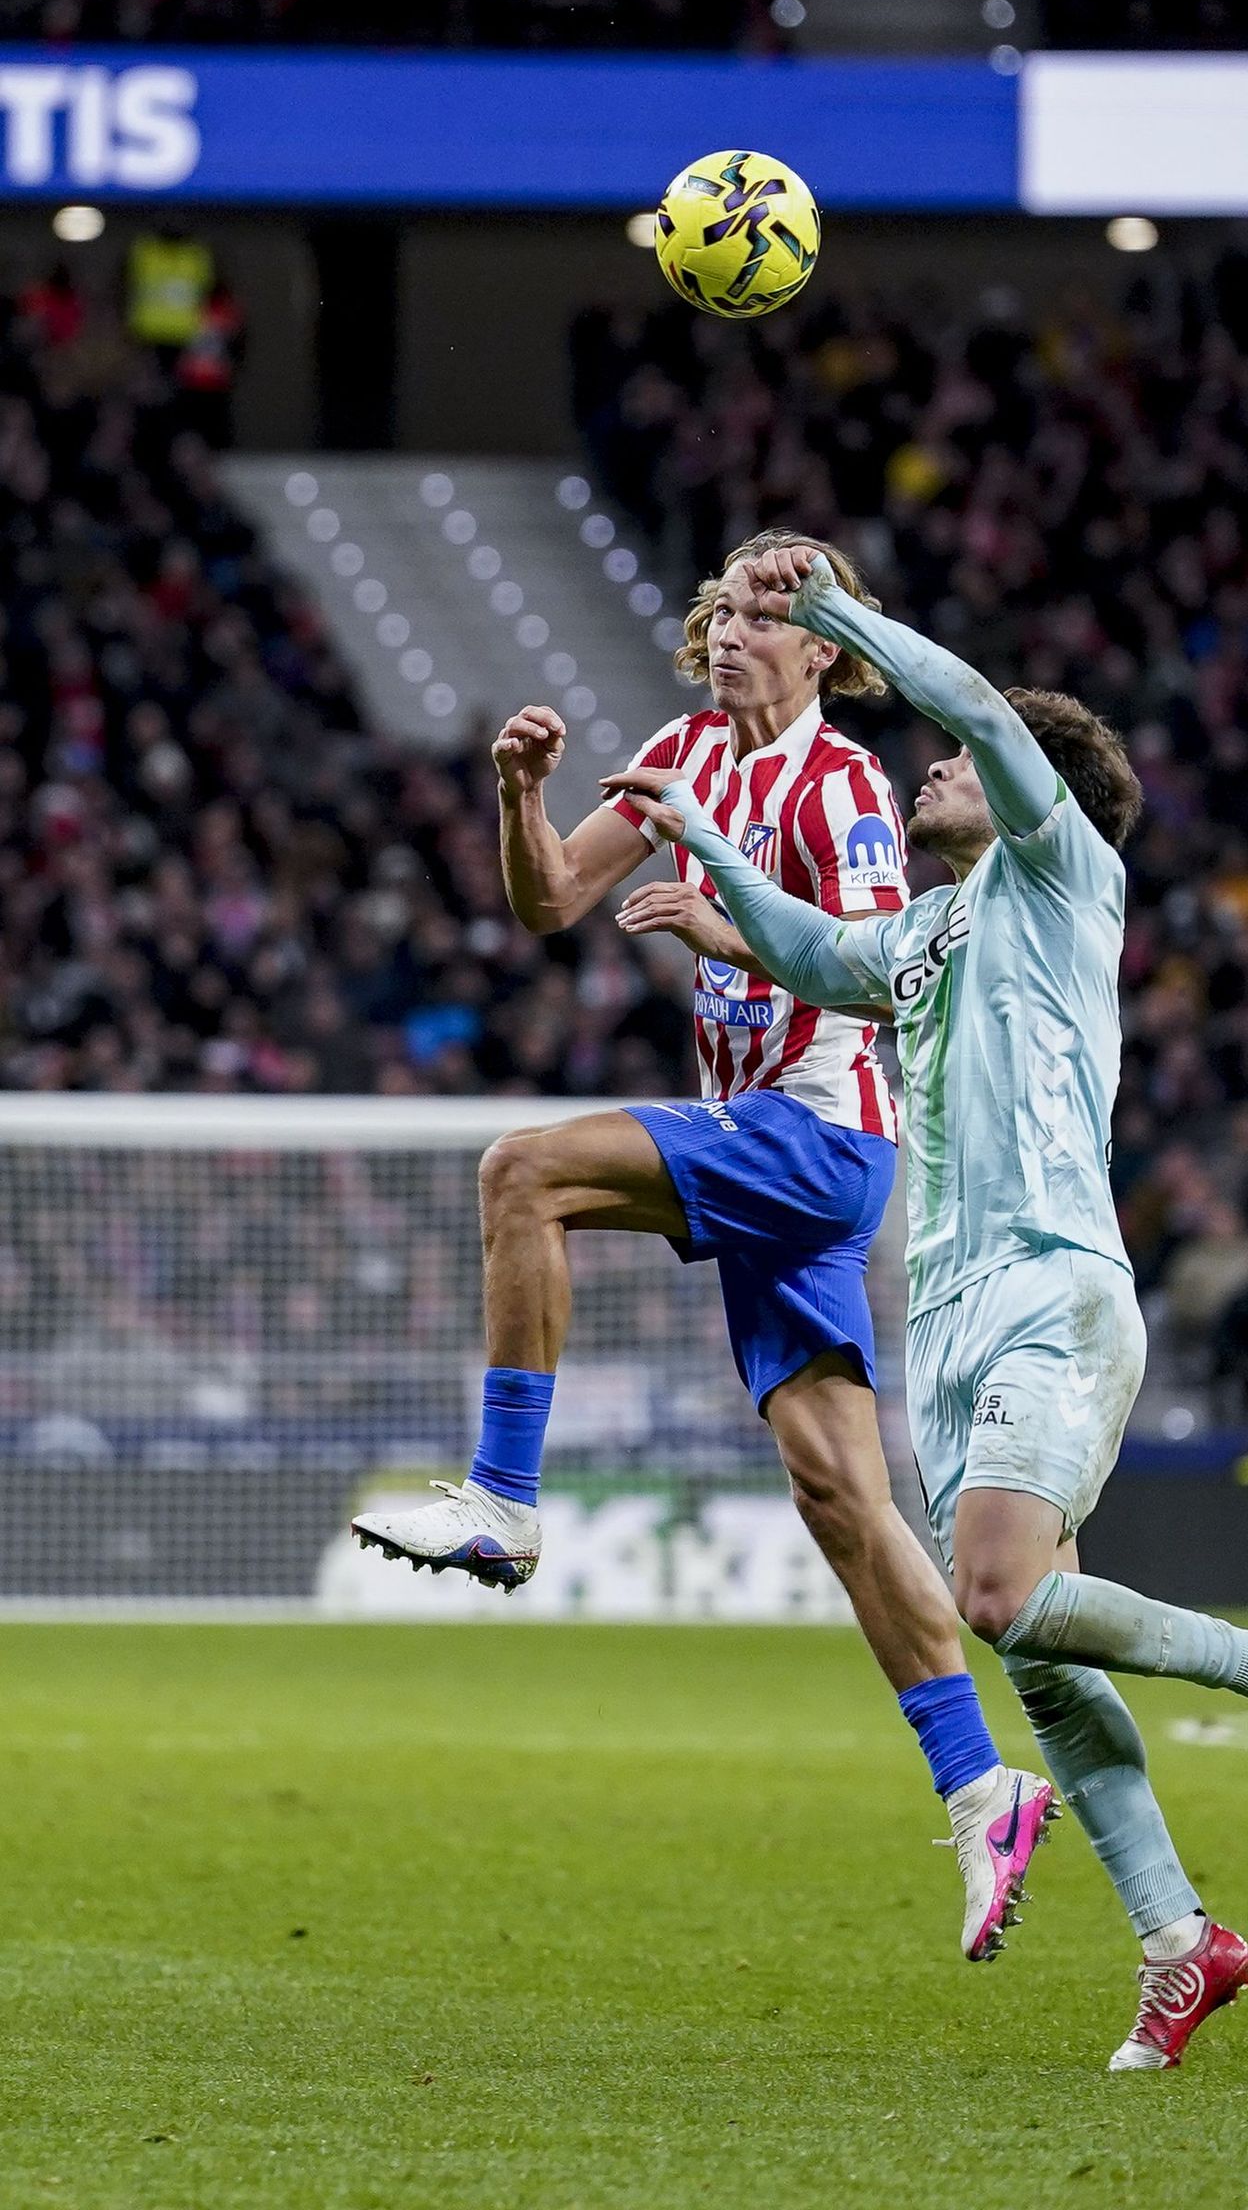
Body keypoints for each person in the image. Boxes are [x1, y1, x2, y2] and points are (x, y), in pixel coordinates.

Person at [605, 545, 1248, 2075]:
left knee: (1000, 1597)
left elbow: (967, 697)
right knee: (1041, 1658)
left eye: (951, 761)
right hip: (950, 1319)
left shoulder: (1064, 873)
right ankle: (1179, 1942)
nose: (932, 769)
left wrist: (828, 616)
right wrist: (704, 842)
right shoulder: (934, 931)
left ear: (1029, 787)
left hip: (1051, 1281)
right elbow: (822, 952)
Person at [354, 531, 1057, 1961]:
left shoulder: (847, 784)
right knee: (843, 1500)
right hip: (765, 1138)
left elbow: (878, 966)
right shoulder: (688, 751)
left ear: (828, 652)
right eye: (728, 607)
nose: (738, 631)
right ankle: (985, 1787)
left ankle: (504, 1496)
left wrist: (725, 932)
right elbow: (549, 898)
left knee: (524, 1173)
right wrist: (520, 795)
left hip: (817, 1136)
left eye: (773, 615)